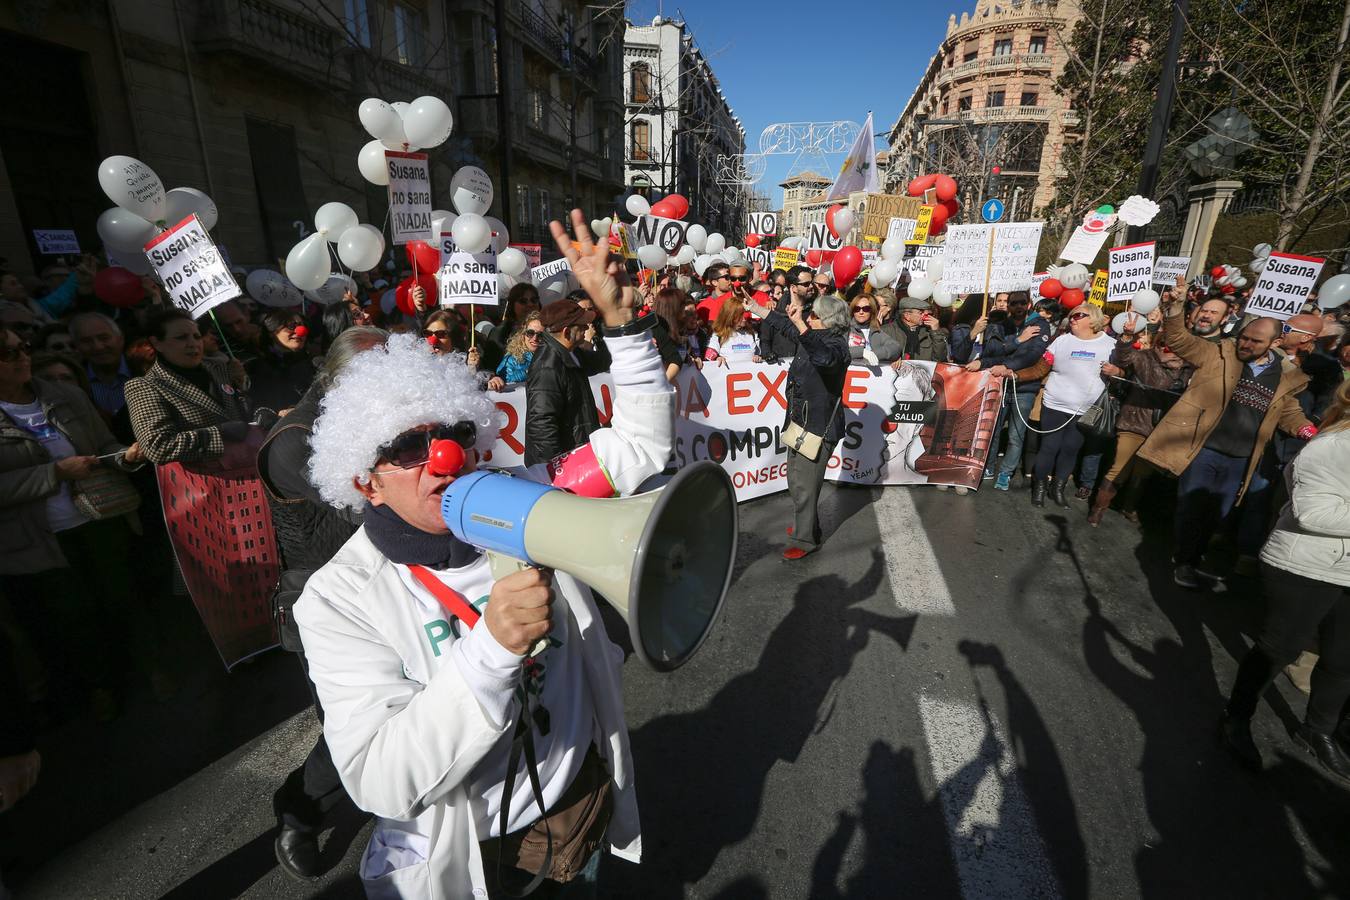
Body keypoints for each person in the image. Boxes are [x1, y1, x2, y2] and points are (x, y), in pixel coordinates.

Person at [292, 210, 673, 897]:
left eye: (452, 432)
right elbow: (381, 776)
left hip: (577, 808)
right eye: (407, 449)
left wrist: (626, 329)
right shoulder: (339, 597)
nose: (443, 457)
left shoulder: (524, 497)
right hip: (475, 852)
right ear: (362, 479)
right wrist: (493, 648)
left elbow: (637, 451)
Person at [258, 326, 389, 880]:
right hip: (321, 603)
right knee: (350, 721)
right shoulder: (295, 441)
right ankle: (299, 809)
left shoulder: (356, 420)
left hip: (376, 589)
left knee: (395, 707)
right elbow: (371, 508)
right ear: (340, 379)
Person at [0, 325, 145, 722]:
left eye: (23, 347)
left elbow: (102, 446)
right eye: (10, 353)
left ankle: (139, 673)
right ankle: (97, 688)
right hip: (36, 543)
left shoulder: (64, 394)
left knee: (117, 600)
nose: (23, 356)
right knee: (71, 619)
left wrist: (125, 457)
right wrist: (55, 474)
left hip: (96, 519)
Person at [1137, 283, 1316, 589]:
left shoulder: (1285, 376)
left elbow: (1288, 411)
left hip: (1242, 458)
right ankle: (1185, 561)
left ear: (1275, 342)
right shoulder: (1219, 354)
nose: (1245, 344)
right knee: (1192, 506)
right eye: (1244, 337)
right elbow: (1179, 339)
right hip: (1205, 448)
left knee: (1219, 512)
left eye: (1255, 341)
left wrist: (1308, 430)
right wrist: (1177, 308)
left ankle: (1195, 557)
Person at [1218, 379, 1350, 782]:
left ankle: (1318, 731)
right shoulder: (1328, 448)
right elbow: (1311, 514)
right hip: (1303, 566)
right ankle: (1236, 719)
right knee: (1278, 650)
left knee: (1343, 659)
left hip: (1345, 569)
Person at [990, 303, 1115, 508]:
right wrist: (1015, 374)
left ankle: (1057, 489)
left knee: (1071, 449)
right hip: (1055, 403)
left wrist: (1117, 372)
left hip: (1087, 409)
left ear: (1092, 318)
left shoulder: (1110, 344)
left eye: (1078, 316)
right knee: (1049, 447)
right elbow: (1040, 369)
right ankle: (1038, 489)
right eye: (1071, 316)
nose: (1072, 319)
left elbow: (1124, 372)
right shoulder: (1062, 341)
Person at [759, 293, 851, 560]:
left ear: (827, 320)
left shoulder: (836, 345)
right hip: (800, 421)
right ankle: (808, 527)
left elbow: (824, 359)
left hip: (819, 426)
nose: (808, 318)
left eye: (813, 316)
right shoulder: (812, 335)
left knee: (804, 485)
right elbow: (786, 325)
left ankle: (804, 539)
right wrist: (755, 308)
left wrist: (802, 326)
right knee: (797, 481)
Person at [1088, 314, 1193, 526]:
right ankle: (1098, 509)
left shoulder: (1188, 368)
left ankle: (1129, 507)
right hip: (1135, 422)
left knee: (1142, 472)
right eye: (1163, 343)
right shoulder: (1144, 357)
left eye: (1172, 345)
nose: (1166, 348)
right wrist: (1127, 336)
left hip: (1162, 427)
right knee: (1120, 467)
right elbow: (1122, 359)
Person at [124, 309, 253, 465]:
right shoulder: (145, 386)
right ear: (157, 343)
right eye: (181, 337)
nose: (193, 343)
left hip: (252, 465)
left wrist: (261, 413)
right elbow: (158, 447)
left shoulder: (221, 368)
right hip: (208, 481)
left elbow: (244, 414)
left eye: (197, 336)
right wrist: (219, 433)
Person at [965, 293, 1051, 488]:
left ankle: (1006, 472)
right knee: (993, 430)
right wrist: (984, 361)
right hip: (1001, 384)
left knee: (1015, 434)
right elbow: (997, 351)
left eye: (1022, 302)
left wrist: (1007, 365)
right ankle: (989, 466)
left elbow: (1033, 355)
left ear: (1028, 304)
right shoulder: (1004, 323)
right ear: (1008, 306)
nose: (1018, 306)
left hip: (1024, 388)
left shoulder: (1039, 324)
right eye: (1013, 303)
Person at [523, 298, 612, 466]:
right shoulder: (547, 368)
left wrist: (601, 333)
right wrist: (560, 468)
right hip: (563, 468)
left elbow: (603, 360)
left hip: (578, 453)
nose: (587, 328)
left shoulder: (571, 352)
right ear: (566, 333)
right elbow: (542, 425)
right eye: (582, 325)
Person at [247, 309, 315, 414]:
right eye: (291, 326)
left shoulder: (315, 363)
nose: (300, 331)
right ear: (272, 332)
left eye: (301, 325)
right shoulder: (258, 368)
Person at [68, 312, 131, 420]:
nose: (98, 347)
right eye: (86, 341)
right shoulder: (73, 381)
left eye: (104, 338)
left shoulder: (146, 370)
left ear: (120, 339)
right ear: (77, 346)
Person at [882, 295, 949, 363]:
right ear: (907, 316)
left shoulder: (929, 332)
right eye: (921, 313)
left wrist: (936, 332)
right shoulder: (886, 331)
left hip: (922, 372)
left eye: (926, 312)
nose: (926, 315)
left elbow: (940, 359)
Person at [490, 312, 544, 390]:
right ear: (523, 334)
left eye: (540, 335)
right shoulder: (511, 360)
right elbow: (503, 383)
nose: (535, 338)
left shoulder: (554, 358)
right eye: (530, 333)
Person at [705, 293, 762, 367]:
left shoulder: (752, 333)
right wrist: (717, 358)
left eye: (745, 313)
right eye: (740, 315)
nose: (744, 318)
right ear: (730, 316)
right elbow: (708, 357)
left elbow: (760, 355)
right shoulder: (718, 335)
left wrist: (758, 358)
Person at [846, 294, 901, 365]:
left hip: (872, 374)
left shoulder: (876, 331)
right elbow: (837, 351)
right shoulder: (845, 329)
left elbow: (895, 348)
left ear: (872, 310)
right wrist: (862, 352)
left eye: (866, 309)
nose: (861, 312)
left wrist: (874, 354)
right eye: (857, 309)